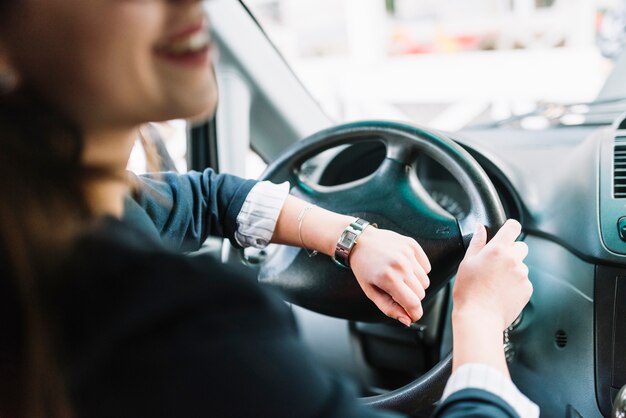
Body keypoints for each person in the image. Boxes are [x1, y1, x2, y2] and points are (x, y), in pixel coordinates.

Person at [0, 0, 537, 417]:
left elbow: (205, 197)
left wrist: (350, 237)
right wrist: (480, 320)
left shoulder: (78, 212)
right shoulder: (170, 322)